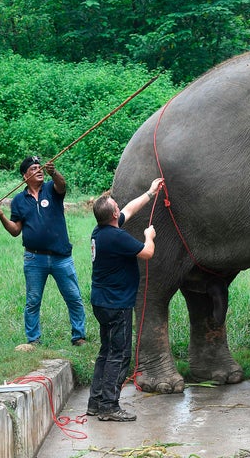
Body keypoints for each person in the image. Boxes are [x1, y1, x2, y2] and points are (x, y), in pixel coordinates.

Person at [86, 178, 163, 422]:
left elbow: (130, 208)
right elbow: (147, 253)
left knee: (106, 351)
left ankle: (95, 402)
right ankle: (109, 406)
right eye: (116, 205)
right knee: (119, 355)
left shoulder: (101, 231)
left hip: (101, 301)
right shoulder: (117, 238)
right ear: (113, 214)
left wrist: (150, 193)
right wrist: (148, 235)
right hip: (116, 304)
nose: (121, 207)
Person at [0, 156, 87, 347]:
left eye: (40, 167)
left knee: (73, 297)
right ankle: (33, 340)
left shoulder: (51, 189)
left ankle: (79, 337)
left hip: (61, 257)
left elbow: (62, 185)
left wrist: (54, 172)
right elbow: (15, 231)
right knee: (33, 301)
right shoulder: (18, 200)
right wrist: (0, 215)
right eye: (34, 168)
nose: (39, 170)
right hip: (34, 258)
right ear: (25, 176)